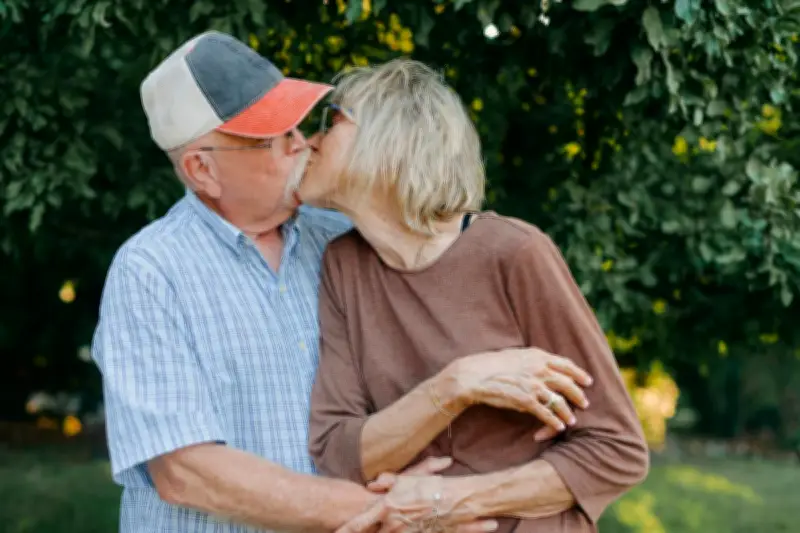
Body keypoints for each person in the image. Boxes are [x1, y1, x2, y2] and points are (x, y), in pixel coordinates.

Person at [90, 31, 593, 533]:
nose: (302, 144)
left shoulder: (347, 240)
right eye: (274, 137)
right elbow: (187, 472)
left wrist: (452, 492)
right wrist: (391, 512)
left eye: (299, 125)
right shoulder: (152, 272)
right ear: (203, 170)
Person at [302, 58, 650, 533]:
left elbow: (616, 449)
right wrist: (459, 383)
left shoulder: (515, 253)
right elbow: (340, 453)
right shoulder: (343, 264)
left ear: (391, 140)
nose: (308, 139)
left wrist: (450, 500)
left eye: (334, 120)